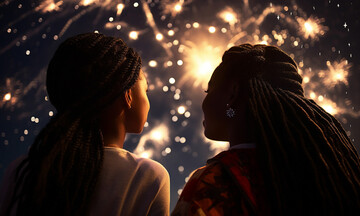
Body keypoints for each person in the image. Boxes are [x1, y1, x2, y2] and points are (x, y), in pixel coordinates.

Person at [172, 44, 360, 215]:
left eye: (208, 91)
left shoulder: (214, 180)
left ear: (232, 93)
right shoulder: (320, 177)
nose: (203, 102)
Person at [0, 33, 170, 216]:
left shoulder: (22, 170)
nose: (147, 100)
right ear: (128, 95)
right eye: (145, 90)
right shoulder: (148, 175)